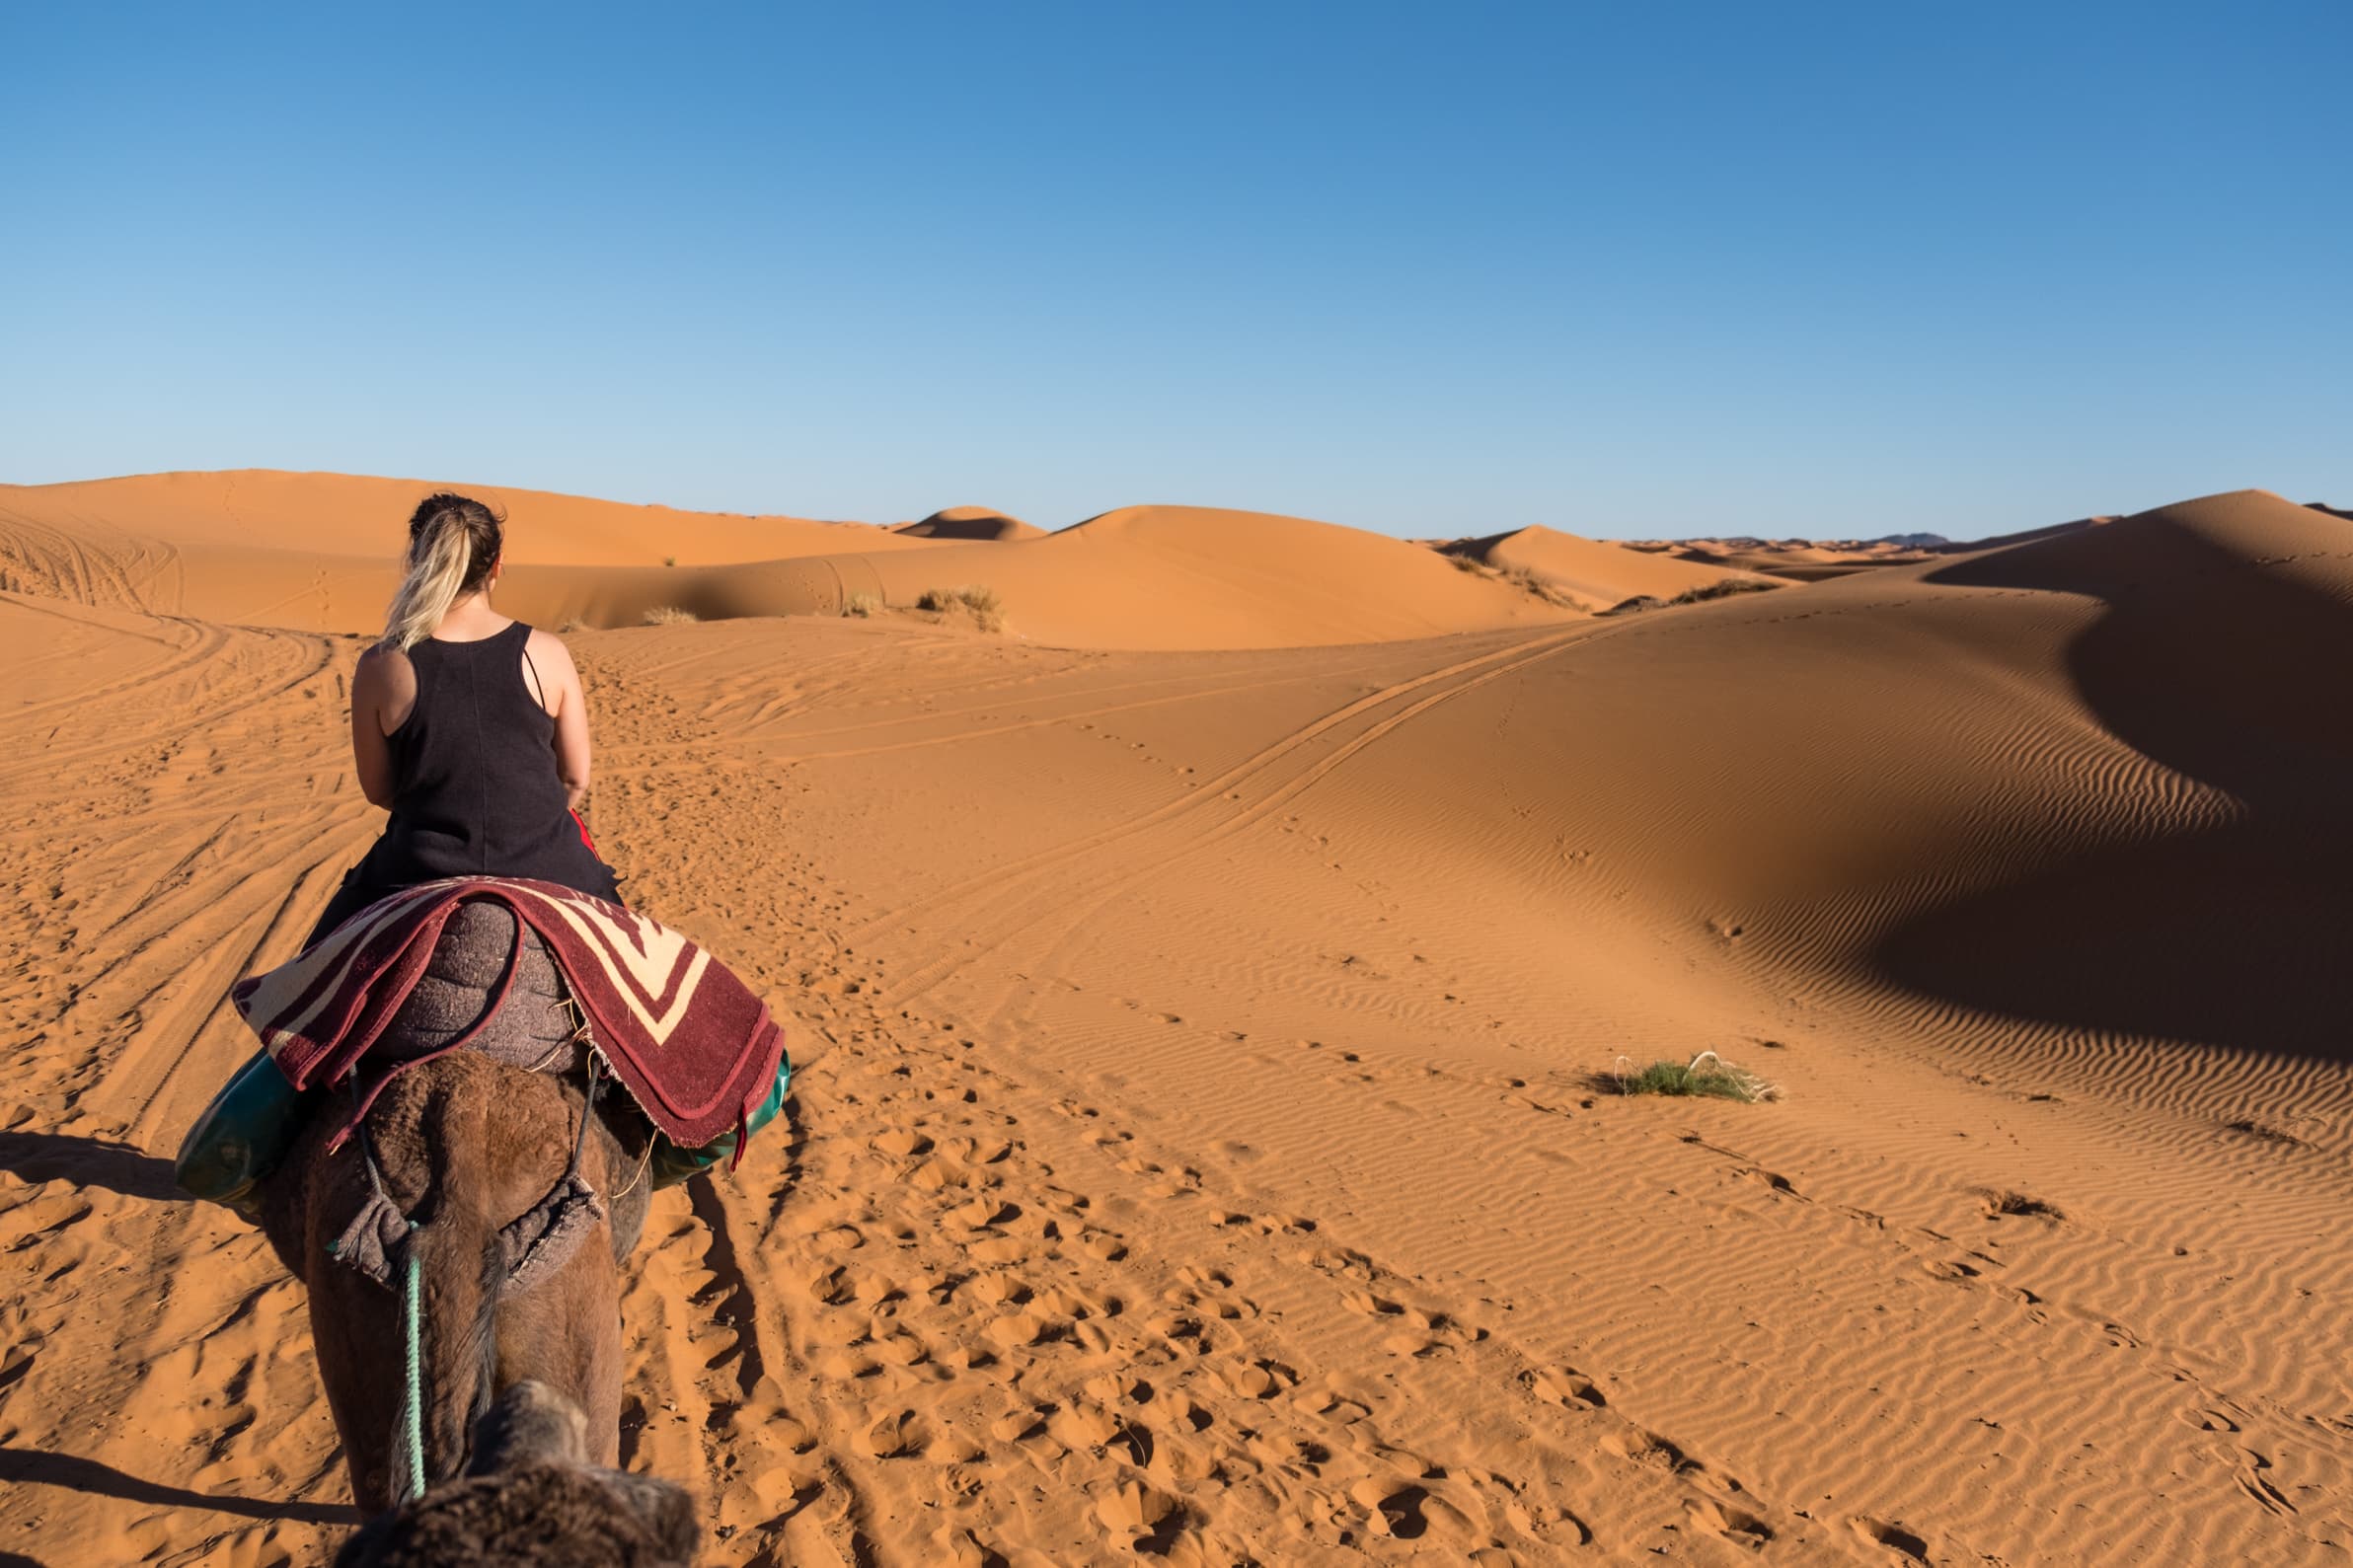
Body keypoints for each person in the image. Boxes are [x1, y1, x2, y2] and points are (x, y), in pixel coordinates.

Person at [306, 493, 621, 946]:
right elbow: (574, 778)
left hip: (417, 867)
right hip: (549, 862)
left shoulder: (382, 664)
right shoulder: (548, 653)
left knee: (311, 983)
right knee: (634, 983)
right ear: (496, 566)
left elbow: (379, 790)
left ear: (417, 561)